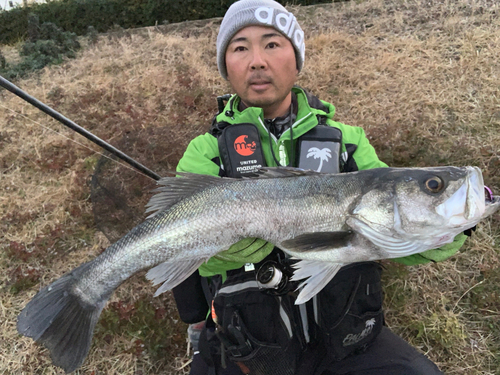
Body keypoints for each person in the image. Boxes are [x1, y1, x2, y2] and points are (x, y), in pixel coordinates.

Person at [172, 0, 468, 374]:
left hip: (349, 338)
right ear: (226, 66)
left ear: (296, 59)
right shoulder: (205, 152)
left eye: (273, 44)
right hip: (247, 347)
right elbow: (185, 252)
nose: (257, 61)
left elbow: (397, 236)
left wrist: (449, 228)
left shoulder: (348, 141)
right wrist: (225, 254)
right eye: (240, 47)